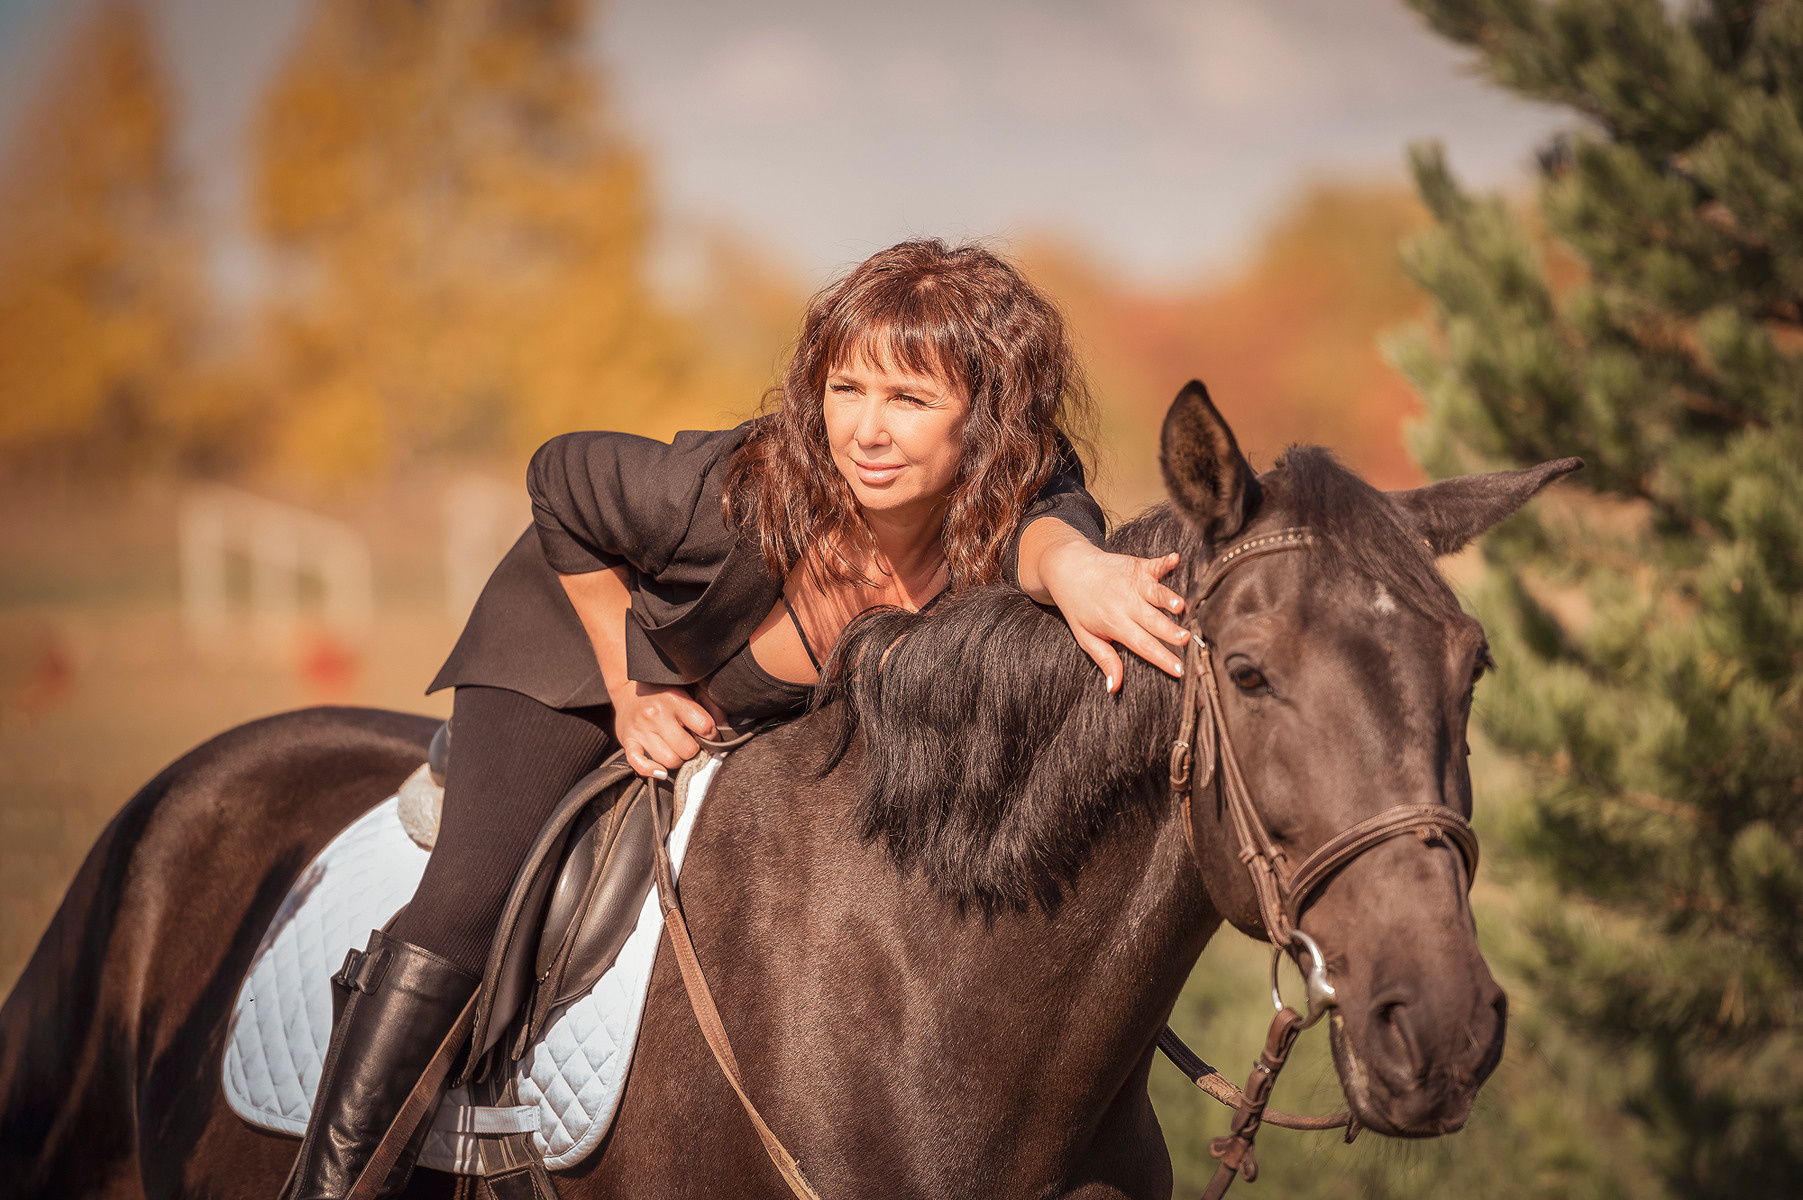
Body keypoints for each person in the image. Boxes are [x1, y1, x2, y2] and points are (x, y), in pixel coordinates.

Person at [282, 239, 1194, 1200]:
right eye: (848, 389)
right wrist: (630, 689)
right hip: (566, 648)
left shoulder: (1013, 499)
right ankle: (329, 1187)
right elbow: (559, 479)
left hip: (709, 692)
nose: (867, 433)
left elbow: (1050, 527)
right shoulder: (737, 492)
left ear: (990, 423)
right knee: (466, 901)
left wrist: (1081, 572)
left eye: (910, 400)